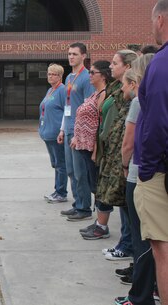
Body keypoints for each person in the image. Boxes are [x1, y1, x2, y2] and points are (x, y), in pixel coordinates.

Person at [83, 50, 137, 257]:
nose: (111, 66)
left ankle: (128, 246)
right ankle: (125, 243)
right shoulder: (116, 88)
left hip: (121, 155)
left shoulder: (129, 95)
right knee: (121, 201)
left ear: (128, 67)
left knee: (124, 202)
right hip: (112, 151)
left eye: (115, 63)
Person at [115, 54, 157, 305]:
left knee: (143, 240)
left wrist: (122, 166)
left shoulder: (140, 101)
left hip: (138, 173)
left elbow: (128, 143)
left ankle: (139, 296)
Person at [134, 1, 168, 303]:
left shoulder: (160, 63)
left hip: (160, 172)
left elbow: (156, 123)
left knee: (164, 249)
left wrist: (146, 169)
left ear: (161, 20)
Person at [68, 61, 112, 239]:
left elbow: (100, 126)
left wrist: (95, 151)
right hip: (83, 145)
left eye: (93, 72)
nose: (90, 75)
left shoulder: (104, 95)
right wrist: (77, 137)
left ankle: (102, 226)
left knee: (98, 187)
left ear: (102, 75)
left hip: (92, 149)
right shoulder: (95, 93)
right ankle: (100, 222)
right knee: (93, 185)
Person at [57, 42, 95, 221]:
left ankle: (84, 208)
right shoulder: (69, 78)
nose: (71, 57)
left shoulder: (87, 78)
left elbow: (90, 107)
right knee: (71, 171)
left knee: (81, 172)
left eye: (75, 54)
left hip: (79, 133)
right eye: (69, 54)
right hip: (69, 130)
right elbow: (67, 105)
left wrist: (79, 134)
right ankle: (77, 203)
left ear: (83, 56)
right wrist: (63, 129)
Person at [38, 64, 67, 203]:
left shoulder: (62, 90)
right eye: (49, 74)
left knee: (61, 164)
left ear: (60, 76)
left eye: (54, 74)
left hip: (57, 135)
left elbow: (67, 111)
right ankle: (57, 191)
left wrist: (62, 130)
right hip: (47, 134)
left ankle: (61, 192)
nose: (50, 76)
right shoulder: (50, 90)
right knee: (55, 164)